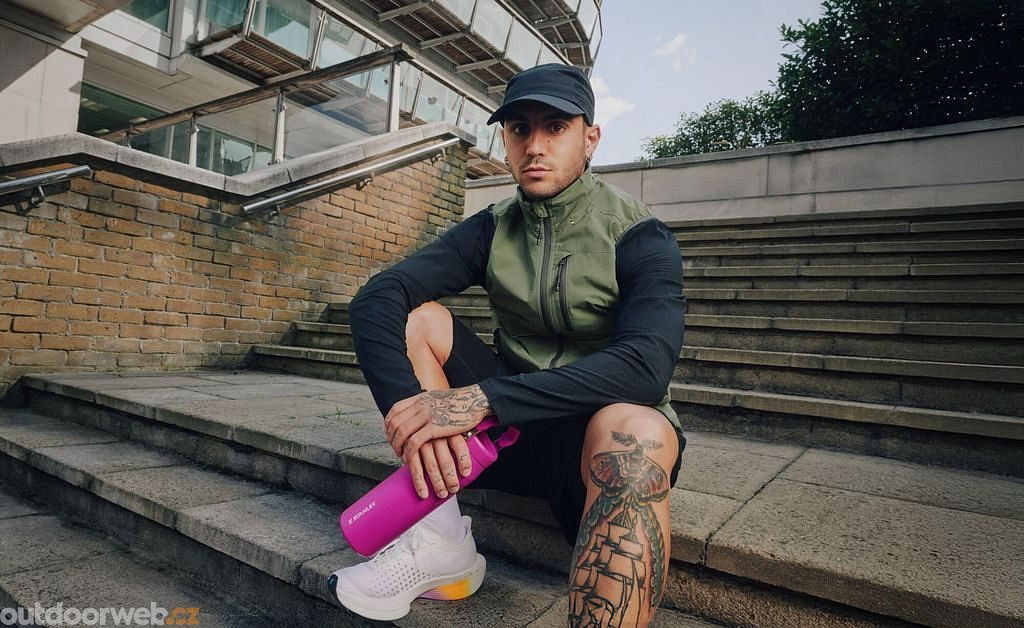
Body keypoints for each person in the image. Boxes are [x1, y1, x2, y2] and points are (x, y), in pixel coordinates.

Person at [327, 63, 685, 626]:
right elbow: (378, 297)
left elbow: (646, 366)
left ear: (590, 138)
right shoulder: (493, 227)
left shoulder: (640, 236)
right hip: (507, 441)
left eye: (555, 127)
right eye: (519, 129)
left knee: (637, 431)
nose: (534, 146)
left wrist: (482, 400)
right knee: (418, 319)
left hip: (594, 445)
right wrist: (412, 410)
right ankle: (442, 537)